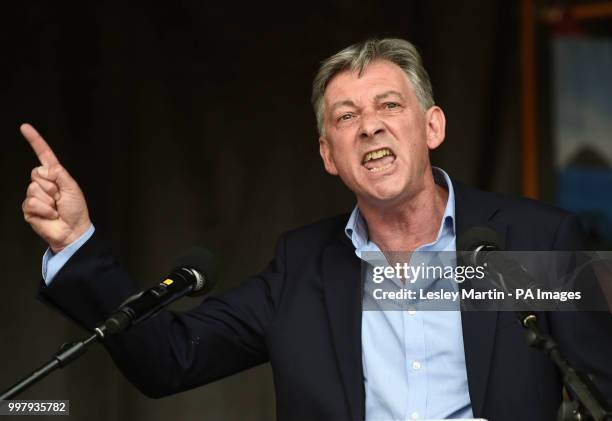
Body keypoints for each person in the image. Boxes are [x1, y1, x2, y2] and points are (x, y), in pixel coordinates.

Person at [21, 38, 612, 421]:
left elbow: (600, 392)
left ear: (432, 127)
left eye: (389, 107)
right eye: (346, 118)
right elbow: (168, 360)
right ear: (329, 155)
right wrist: (75, 242)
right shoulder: (303, 267)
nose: (370, 128)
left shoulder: (530, 240)